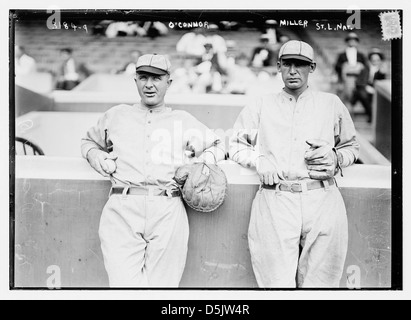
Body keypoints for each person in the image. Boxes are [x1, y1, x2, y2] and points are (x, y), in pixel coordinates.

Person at [81, 54, 225, 287]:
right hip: (122, 206)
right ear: (135, 80)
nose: (149, 84)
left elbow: (218, 145)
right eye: (143, 77)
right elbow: (88, 142)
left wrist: (199, 164)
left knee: (163, 288)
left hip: (167, 207)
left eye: (157, 78)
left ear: (169, 82)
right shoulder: (116, 115)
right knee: (122, 286)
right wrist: (95, 155)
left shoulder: (182, 120)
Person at [229, 40, 360, 288]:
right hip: (276, 197)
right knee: (276, 285)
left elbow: (351, 147)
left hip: (321, 196)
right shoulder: (261, 103)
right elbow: (235, 144)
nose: (293, 71)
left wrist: (335, 157)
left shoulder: (330, 103)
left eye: (300, 65)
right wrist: (259, 160)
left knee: (321, 286)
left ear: (312, 67)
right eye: (287, 64)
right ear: (278, 66)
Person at [352, 48, 387, 122]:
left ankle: (372, 116)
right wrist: (366, 87)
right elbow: (358, 82)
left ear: (380, 61)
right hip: (362, 90)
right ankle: (372, 116)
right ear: (370, 60)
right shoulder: (365, 68)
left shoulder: (381, 71)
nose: (375, 62)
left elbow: (382, 83)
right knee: (362, 94)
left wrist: (381, 73)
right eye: (373, 60)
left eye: (377, 60)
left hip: (375, 91)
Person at [334, 32, 368, 111]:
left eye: (354, 40)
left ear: (357, 42)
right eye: (350, 40)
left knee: (358, 96)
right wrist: (345, 66)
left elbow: (365, 67)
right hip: (347, 78)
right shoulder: (342, 55)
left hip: (358, 79)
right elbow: (337, 66)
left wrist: (359, 66)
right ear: (347, 42)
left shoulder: (361, 55)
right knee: (346, 97)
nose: (352, 42)